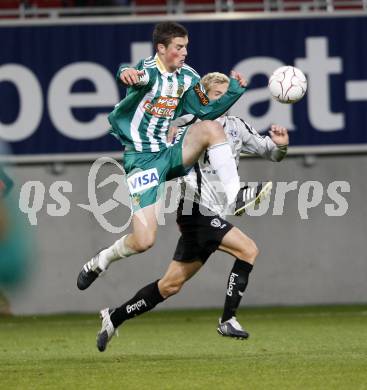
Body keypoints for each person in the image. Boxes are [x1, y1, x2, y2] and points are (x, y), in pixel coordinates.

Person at [94, 72, 289, 351]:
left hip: (213, 214)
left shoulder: (236, 127)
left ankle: (114, 317)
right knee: (248, 250)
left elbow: (270, 152)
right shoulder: (189, 126)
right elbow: (169, 154)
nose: (224, 101)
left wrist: (280, 145)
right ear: (205, 98)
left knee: (169, 286)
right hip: (194, 209)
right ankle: (228, 319)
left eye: (227, 95)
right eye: (218, 96)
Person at [77, 22, 247, 290]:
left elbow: (203, 111)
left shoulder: (189, 77)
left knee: (211, 129)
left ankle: (235, 193)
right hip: (143, 161)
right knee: (144, 241)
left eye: (186, 47)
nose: (184, 52)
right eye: (179, 48)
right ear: (161, 48)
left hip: (169, 153)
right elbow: (133, 74)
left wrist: (235, 91)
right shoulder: (148, 73)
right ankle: (101, 260)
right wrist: (125, 73)